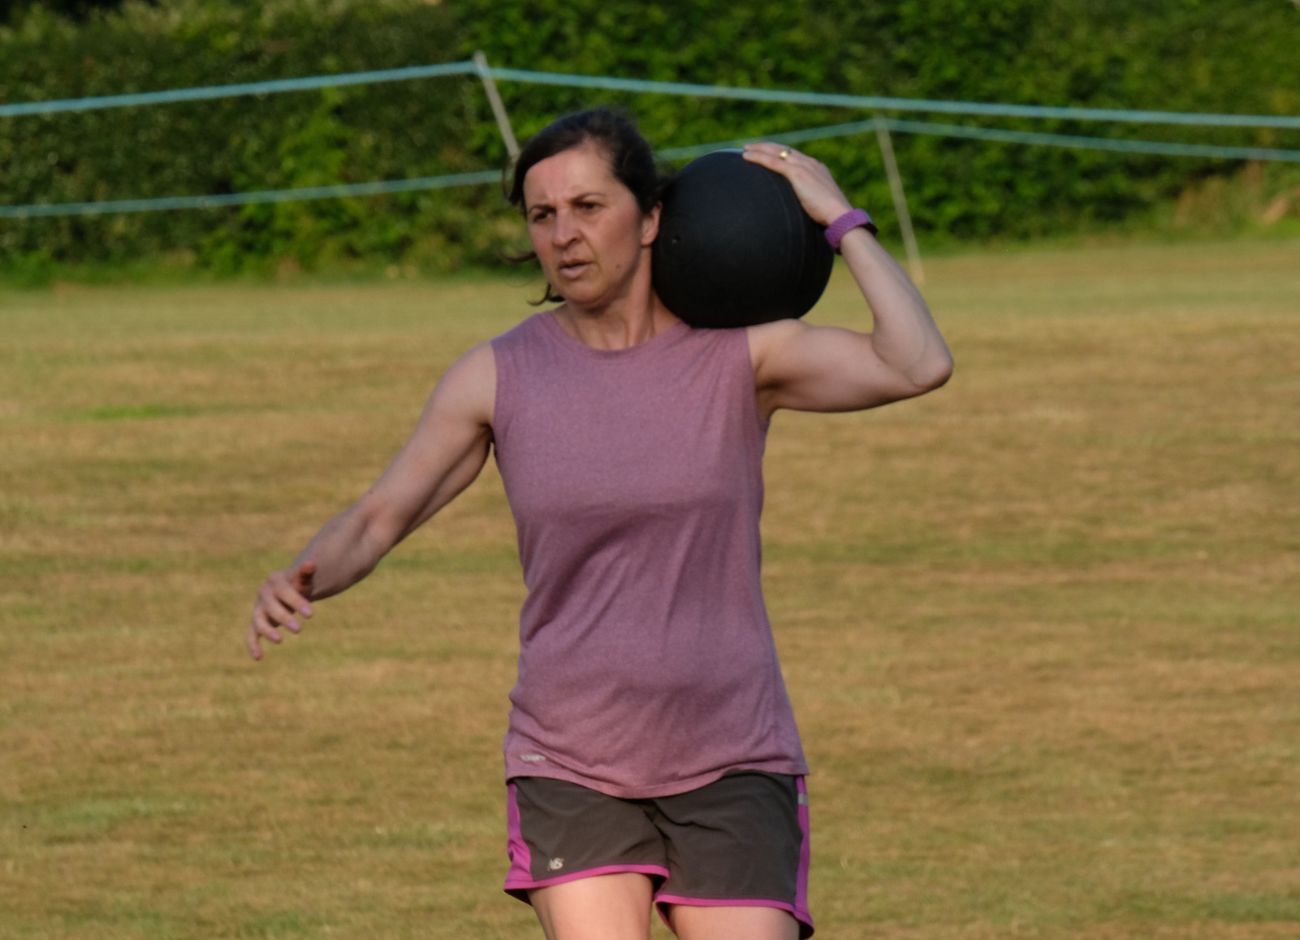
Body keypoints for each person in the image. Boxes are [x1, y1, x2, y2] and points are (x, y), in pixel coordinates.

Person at [247, 108, 952, 940]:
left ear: (651, 217)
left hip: (733, 750)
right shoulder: (498, 375)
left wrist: (838, 217)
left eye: (588, 207)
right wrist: (303, 575)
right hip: (571, 755)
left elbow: (918, 363)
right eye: (543, 216)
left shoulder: (739, 358)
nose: (564, 235)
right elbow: (376, 517)